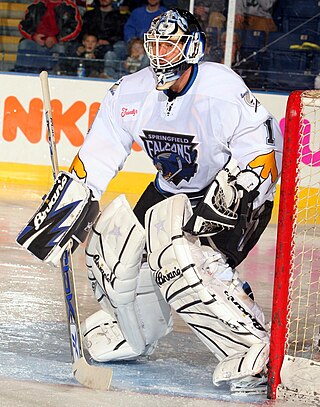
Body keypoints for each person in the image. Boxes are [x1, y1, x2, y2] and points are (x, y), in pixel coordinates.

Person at [20, 9, 283, 393]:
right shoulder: (130, 91)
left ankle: (254, 346)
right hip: (169, 190)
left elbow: (262, 150)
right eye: (155, 44)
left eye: (170, 43)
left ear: (191, 47)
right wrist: (67, 206)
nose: (160, 53)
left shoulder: (221, 89)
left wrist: (239, 190)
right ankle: (133, 330)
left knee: (185, 261)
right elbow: (96, 157)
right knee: (111, 248)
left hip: (228, 194)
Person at [15, 0, 82, 73]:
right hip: (36, 42)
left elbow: (76, 28)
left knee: (61, 48)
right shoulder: (35, 6)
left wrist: (56, 38)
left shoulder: (70, 7)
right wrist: (34, 36)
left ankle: (57, 74)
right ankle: (23, 74)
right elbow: (23, 25)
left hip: (59, 43)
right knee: (25, 44)